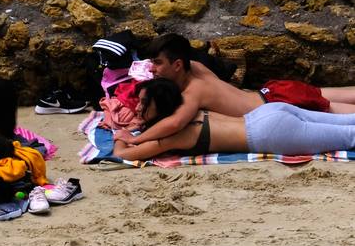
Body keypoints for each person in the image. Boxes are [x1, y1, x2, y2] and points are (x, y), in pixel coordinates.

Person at [115, 33, 355, 147]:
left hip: (273, 107)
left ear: (177, 65)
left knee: (337, 113)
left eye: (157, 64)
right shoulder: (195, 67)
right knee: (334, 94)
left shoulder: (194, 92)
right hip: (271, 93)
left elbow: (175, 124)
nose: (152, 70)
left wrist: (137, 137)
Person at [112, 78, 355, 161]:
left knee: (349, 135)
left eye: (145, 103)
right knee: (348, 122)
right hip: (267, 112)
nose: (139, 107)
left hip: (267, 133)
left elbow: (122, 156)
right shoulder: (187, 109)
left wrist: (120, 136)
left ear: (161, 107)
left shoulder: (172, 135)